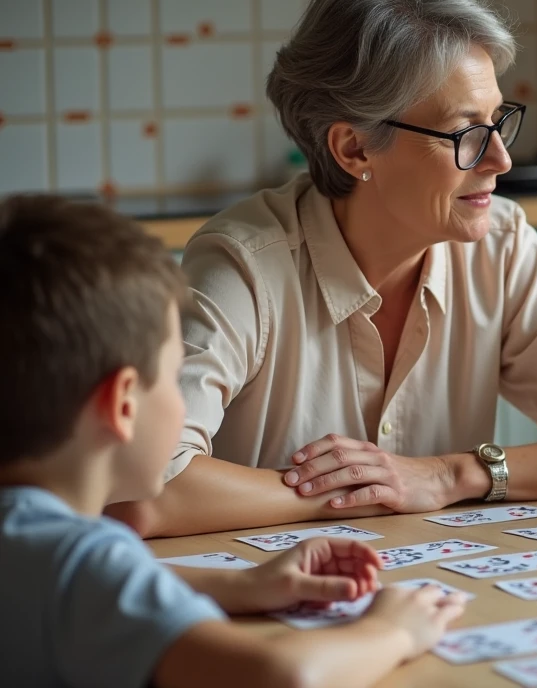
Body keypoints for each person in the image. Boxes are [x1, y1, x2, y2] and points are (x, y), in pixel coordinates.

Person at [108, 0, 537, 539]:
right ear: (355, 149)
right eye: (465, 132)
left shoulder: (502, 246)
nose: (501, 160)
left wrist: (451, 475)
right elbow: (139, 488)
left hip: (437, 600)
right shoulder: (244, 265)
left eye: (498, 121)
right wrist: (359, 496)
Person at [0, 195, 466, 687]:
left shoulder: (37, 547)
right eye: (173, 373)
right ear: (122, 406)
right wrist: (392, 631)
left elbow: (83, 591)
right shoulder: (87, 562)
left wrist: (243, 584)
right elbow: (280, 677)